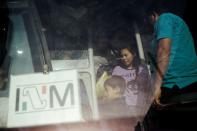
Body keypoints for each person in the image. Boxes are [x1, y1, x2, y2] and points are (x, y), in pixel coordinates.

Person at [147, 1, 197, 106]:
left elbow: (164, 49)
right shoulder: (174, 20)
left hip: (177, 84)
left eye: (148, 19)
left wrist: (157, 86)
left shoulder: (164, 18)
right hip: (183, 82)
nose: (149, 23)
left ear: (153, 14)